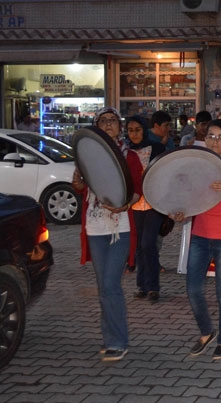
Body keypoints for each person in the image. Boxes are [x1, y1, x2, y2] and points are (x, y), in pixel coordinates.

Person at [169, 119, 221, 360]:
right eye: (210, 136)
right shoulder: (198, 167)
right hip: (200, 235)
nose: (214, 141)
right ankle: (207, 331)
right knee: (193, 288)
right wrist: (179, 212)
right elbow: (187, 199)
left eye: (219, 137)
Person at [72, 107, 142, 362]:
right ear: (97, 126)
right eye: (104, 121)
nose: (109, 124)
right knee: (104, 286)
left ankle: (117, 341)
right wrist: (78, 182)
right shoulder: (87, 156)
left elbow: (138, 188)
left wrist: (126, 204)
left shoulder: (129, 156)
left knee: (111, 284)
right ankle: (110, 336)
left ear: (119, 127)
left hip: (120, 228)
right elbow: (81, 188)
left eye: (113, 121)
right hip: (95, 227)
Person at [124, 115, 166, 302]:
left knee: (148, 244)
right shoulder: (125, 152)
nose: (134, 134)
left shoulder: (156, 148)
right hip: (134, 205)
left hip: (154, 202)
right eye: (131, 130)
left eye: (138, 129)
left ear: (144, 130)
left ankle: (153, 286)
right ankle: (143, 285)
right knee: (139, 246)